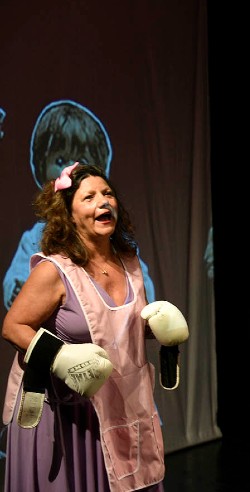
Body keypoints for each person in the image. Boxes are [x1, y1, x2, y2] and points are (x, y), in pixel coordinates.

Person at [1, 163, 189, 491]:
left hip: (121, 409)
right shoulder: (54, 270)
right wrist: (59, 356)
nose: (103, 202)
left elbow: (118, 329)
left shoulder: (129, 262)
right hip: (68, 420)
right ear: (69, 215)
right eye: (89, 197)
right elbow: (13, 326)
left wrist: (157, 328)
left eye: (108, 194)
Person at [3, 99, 156, 311]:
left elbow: (144, 292)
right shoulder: (35, 239)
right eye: (60, 160)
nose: (72, 168)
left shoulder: (124, 251)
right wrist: (16, 288)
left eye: (107, 194)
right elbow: (16, 294)